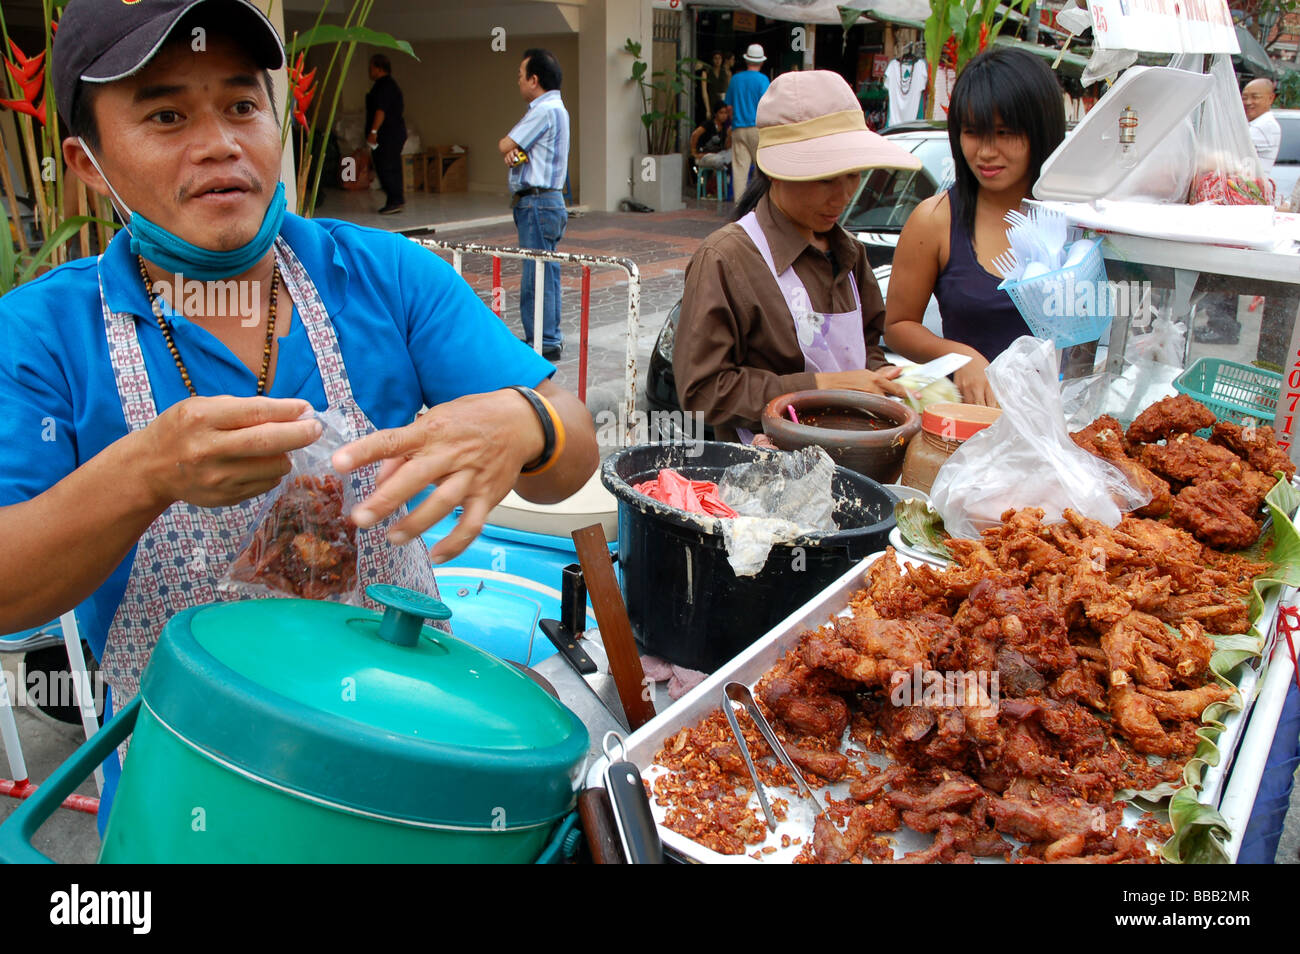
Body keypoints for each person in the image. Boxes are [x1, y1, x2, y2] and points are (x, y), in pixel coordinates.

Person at [2, 0, 597, 829]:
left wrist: (528, 421)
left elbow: (574, 455)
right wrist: (144, 474)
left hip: (407, 761)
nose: (220, 143)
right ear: (84, 163)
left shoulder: (384, 275)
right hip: (192, 786)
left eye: (243, 105)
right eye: (167, 114)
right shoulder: (39, 335)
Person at [674, 70, 920, 442]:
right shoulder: (726, 259)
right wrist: (821, 386)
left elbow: (868, 348)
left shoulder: (851, 254)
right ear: (776, 173)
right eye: (824, 178)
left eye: (852, 175)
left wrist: (885, 381)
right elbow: (703, 391)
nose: (842, 196)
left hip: (857, 458)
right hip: (766, 477)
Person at [884, 48, 1066, 406]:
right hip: (971, 424)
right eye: (973, 133)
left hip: (1064, 423)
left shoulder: (1077, 218)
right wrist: (959, 357)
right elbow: (899, 327)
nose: (985, 152)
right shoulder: (934, 219)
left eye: (1003, 133)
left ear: (1040, 128)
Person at [498, 48, 570, 361]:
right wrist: (512, 152)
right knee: (545, 271)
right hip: (545, 202)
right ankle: (547, 338)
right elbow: (514, 150)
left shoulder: (544, 110)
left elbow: (505, 143)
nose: (517, 82)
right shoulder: (556, 109)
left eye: (520, 75)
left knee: (536, 275)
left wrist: (508, 150)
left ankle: (542, 341)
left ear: (534, 79)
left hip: (538, 203)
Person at [724, 44, 770, 198]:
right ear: (762, 62)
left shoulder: (735, 79)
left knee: (739, 169)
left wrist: (735, 120)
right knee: (761, 169)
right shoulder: (763, 80)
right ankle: (758, 204)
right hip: (757, 129)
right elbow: (766, 105)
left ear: (746, 60)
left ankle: (739, 207)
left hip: (738, 128)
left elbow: (729, 106)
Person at [365, 52, 406, 214]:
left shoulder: (385, 86)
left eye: (371, 67)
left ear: (379, 68)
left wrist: (374, 131)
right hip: (392, 133)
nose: (369, 71)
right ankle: (396, 199)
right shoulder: (386, 85)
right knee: (390, 165)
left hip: (388, 134)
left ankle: (395, 200)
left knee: (386, 166)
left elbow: (380, 111)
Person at [690, 104, 733, 193]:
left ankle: (720, 185)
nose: (724, 115)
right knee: (720, 161)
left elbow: (726, 147)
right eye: (721, 113)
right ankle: (713, 185)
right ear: (716, 114)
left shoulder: (725, 128)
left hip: (718, 155)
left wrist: (729, 137)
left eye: (726, 113)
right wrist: (694, 151)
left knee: (733, 154)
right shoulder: (708, 124)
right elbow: (695, 135)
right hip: (705, 155)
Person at [1244, 77, 1281, 176]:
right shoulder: (1254, 124)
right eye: (1244, 98)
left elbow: (1231, 152)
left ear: (1270, 98)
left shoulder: (1266, 125)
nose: (1248, 102)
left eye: (1255, 97)